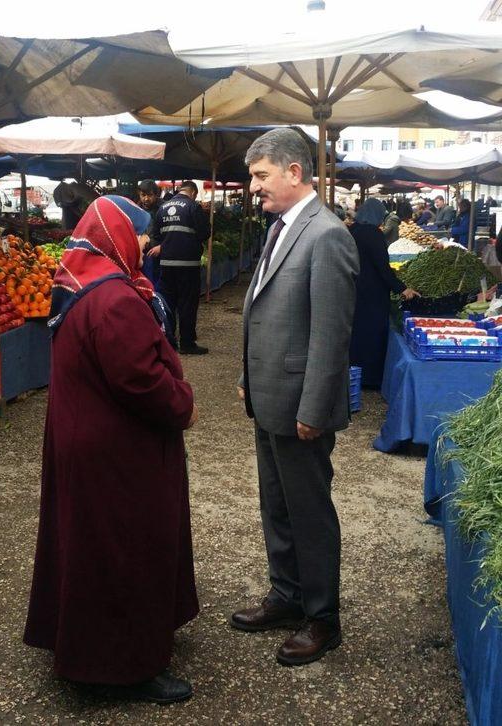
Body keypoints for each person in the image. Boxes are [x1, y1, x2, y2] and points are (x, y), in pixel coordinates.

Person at [24, 195, 199, 705]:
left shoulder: (80, 278)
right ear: (118, 235)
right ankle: (119, 666)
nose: (148, 242)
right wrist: (183, 404)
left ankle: (84, 641)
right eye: (142, 233)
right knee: (123, 548)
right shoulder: (115, 299)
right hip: (115, 450)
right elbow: (141, 381)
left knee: (88, 544)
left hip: (86, 435)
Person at [232, 128, 359, 666]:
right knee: (276, 505)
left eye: (262, 176)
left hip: (300, 405)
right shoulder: (281, 227)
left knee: (308, 510)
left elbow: (331, 334)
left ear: (294, 173)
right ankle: (287, 595)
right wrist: (248, 375)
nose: (255, 188)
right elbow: (265, 309)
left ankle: (322, 617)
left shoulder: (326, 234)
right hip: (270, 395)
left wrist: (313, 408)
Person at [349, 199, 419, 388]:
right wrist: (402, 288)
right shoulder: (373, 234)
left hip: (354, 289)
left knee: (357, 334)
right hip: (372, 293)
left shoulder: (352, 231)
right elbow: (383, 269)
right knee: (372, 335)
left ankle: (355, 374)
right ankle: (370, 378)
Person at [152, 180, 211, 355]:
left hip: (166, 264)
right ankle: (187, 343)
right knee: (187, 304)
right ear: (192, 192)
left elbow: (156, 236)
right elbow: (205, 232)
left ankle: (169, 342)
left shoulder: (162, 208)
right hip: (188, 265)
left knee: (168, 303)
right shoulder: (193, 206)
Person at [137, 179, 163, 287]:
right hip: (142, 254)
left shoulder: (163, 209)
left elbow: (171, 232)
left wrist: (162, 247)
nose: (146, 198)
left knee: (157, 286)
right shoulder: (136, 209)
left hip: (159, 255)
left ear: (156, 195)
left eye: (150, 195)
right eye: (143, 195)